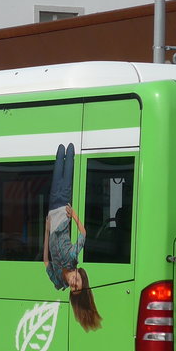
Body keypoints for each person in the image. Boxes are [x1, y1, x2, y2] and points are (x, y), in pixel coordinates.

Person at [43, 142, 102, 332]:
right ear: (80, 276)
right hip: (64, 206)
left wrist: (46, 232)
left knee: (60, 154)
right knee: (68, 152)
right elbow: (83, 235)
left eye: (74, 287)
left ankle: (63, 150)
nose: (74, 283)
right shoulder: (72, 259)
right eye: (79, 283)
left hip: (53, 208)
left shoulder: (58, 281)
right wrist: (74, 215)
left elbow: (45, 261)